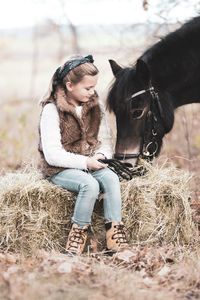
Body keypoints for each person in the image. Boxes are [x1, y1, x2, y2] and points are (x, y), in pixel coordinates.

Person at [38, 54, 129, 255]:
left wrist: (101, 156)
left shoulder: (95, 108)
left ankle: (115, 236)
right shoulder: (52, 111)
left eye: (94, 87)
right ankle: (78, 237)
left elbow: (105, 140)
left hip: (90, 162)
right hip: (60, 168)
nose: (92, 92)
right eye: (87, 88)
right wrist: (87, 162)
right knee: (90, 185)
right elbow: (53, 155)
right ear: (70, 86)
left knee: (111, 178)